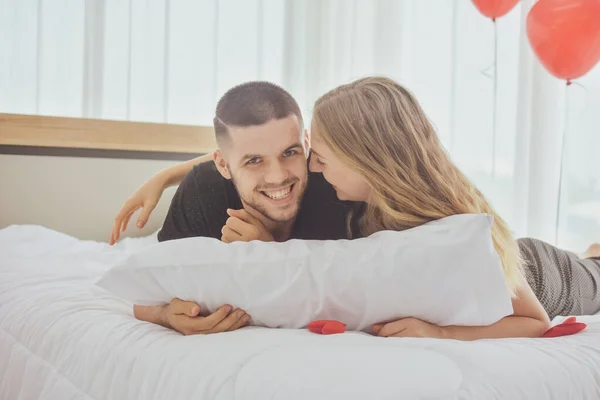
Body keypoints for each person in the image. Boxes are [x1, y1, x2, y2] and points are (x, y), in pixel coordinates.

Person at [112, 78, 600, 339]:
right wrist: (167, 174)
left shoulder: (432, 217)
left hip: (537, 272)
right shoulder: (329, 183)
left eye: (308, 155)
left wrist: (443, 334)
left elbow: (533, 319)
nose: (299, 171)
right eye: (314, 154)